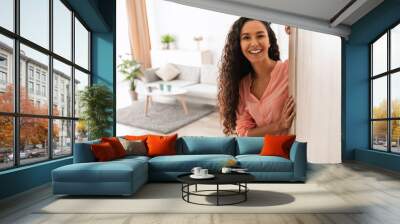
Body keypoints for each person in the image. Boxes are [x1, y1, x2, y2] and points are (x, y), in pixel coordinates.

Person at [218, 17, 295, 136]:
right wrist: (279, 125)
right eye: (246, 37)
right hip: (265, 152)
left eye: (260, 36)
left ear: (269, 41)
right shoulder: (243, 85)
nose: (254, 43)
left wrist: (295, 30)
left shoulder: (289, 70)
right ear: (239, 45)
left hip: (294, 149)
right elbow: (243, 131)